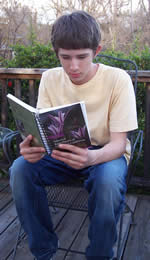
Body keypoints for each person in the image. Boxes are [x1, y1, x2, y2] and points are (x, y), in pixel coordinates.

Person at [9, 10, 138, 260]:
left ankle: (99, 256)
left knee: (108, 182)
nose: (73, 66)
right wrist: (31, 147)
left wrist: (92, 158)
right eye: (65, 57)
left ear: (97, 50)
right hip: (60, 151)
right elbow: (44, 129)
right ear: (56, 53)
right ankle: (43, 250)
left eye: (82, 57)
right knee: (20, 169)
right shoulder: (50, 78)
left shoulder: (117, 80)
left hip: (105, 152)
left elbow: (119, 143)